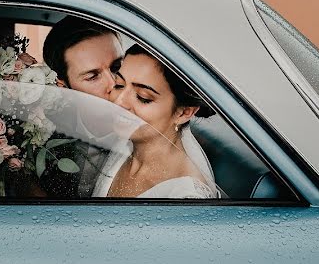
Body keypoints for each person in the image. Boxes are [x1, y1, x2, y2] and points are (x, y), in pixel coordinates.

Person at [92, 44, 217, 199]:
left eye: (143, 97)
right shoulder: (127, 141)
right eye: (119, 85)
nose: (119, 102)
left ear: (184, 112)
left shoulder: (185, 199)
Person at [40, 15, 125, 197]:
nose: (113, 84)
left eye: (117, 66)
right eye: (93, 76)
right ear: (64, 86)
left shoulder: (156, 126)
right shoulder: (43, 135)